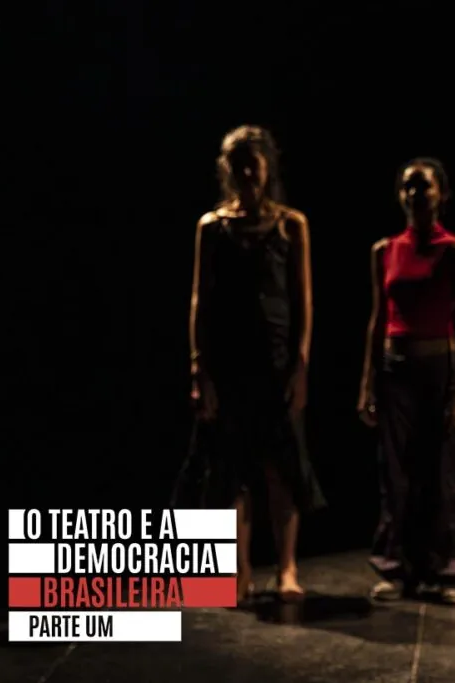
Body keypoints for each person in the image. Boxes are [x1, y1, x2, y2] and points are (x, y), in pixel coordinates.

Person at [183, 124, 326, 604]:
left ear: (267, 168)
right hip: (228, 365)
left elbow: (304, 302)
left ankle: (286, 569)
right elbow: (200, 302)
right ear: (228, 170)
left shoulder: (291, 224)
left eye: (255, 163)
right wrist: (199, 369)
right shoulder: (212, 226)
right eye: (239, 164)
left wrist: (302, 367)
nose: (248, 172)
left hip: (279, 363)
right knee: (230, 471)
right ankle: (238, 573)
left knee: (282, 468)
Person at [357, 157, 455, 606]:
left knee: (445, 473)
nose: (415, 194)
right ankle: (395, 568)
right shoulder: (383, 250)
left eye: (423, 187)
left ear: (441, 194)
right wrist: (367, 384)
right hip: (394, 374)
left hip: (438, 371)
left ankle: (445, 571)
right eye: (408, 186)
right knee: (396, 474)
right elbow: (377, 320)